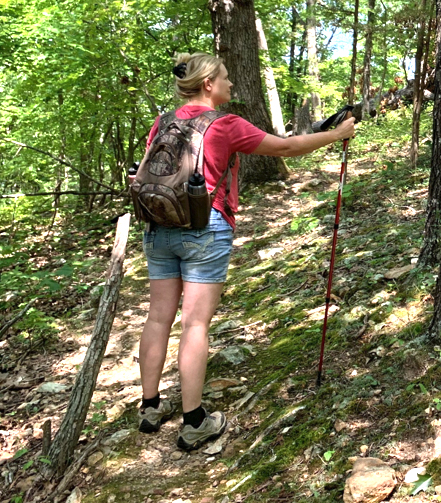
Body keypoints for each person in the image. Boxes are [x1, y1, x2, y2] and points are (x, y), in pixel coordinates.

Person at [135, 52, 355, 451]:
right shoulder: (225, 125)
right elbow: (287, 148)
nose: (231, 84)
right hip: (205, 226)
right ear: (208, 84)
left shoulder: (163, 122)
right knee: (195, 325)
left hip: (158, 225)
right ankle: (194, 420)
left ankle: (149, 407)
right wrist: (336, 136)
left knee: (157, 319)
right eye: (225, 77)